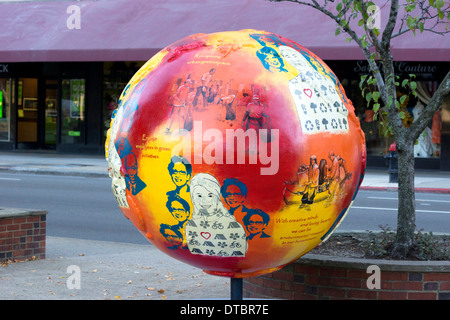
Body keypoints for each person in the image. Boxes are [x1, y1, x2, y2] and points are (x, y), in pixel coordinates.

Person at [185, 173, 247, 257]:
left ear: (217, 197)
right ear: (193, 199)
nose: (204, 200)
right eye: (199, 195)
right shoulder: (190, 225)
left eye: (210, 195)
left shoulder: (233, 226)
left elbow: (239, 257)